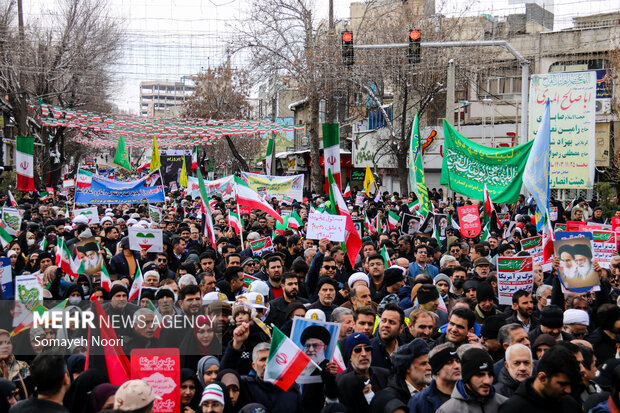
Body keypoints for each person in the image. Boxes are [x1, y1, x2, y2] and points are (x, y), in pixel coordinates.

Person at [498, 346, 582, 413]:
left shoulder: (571, 405)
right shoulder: (512, 408)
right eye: (562, 384)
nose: (568, 390)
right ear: (542, 378)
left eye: (570, 384)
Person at [437, 348, 507, 413]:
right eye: (480, 375)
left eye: (490, 375)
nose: (487, 381)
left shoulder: (505, 404)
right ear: (467, 377)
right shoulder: (449, 410)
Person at [336, 333, 390, 413]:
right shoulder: (340, 381)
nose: (364, 354)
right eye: (358, 350)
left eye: (367, 349)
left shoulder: (384, 374)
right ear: (350, 356)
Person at [408, 343, 461, 413]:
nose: (457, 366)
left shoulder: (469, 395)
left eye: (458, 361)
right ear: (437, 369)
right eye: (449, 362)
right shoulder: (419, 402)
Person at [377, 338, 430, 403]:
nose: (429, 368)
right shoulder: (391, 397)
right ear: (408, 368)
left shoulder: (435, 391)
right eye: (423, 364)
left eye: (429, 363)